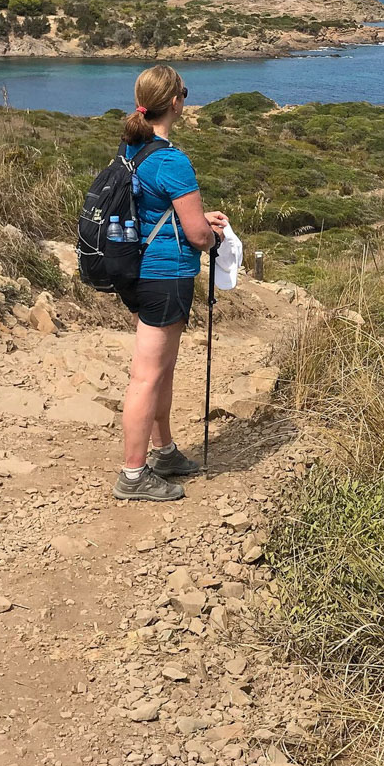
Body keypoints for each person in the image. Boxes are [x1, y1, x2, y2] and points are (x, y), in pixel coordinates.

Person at [113, 64, 227, 502]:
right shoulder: (172, 160)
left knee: (160, 370)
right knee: (146, 376)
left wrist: (196, 220)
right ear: (176, 103)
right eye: (184, 93)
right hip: (166, 276)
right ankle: (133, 474)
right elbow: (198, 236)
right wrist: (213, 235)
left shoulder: (133, 148)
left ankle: (163, 453)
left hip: (138, 269)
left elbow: (154, 209)